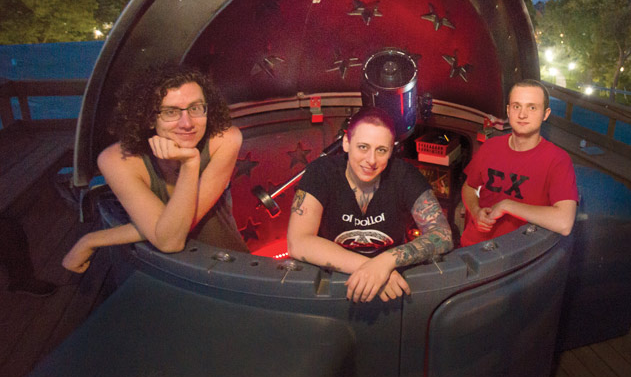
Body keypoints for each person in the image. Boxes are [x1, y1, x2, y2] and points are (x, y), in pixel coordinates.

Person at [62, 65, 247, 273]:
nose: (187, 123)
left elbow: (170, 237)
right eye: (170, 112)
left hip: (226, 267)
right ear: (150, 118)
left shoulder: (226, 139)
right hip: (154, 270)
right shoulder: (116, 160)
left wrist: (93, 239)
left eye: (195, 108)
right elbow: (169, 238)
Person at [287, 107, 452, 303]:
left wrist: (385, 262)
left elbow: (442, 235)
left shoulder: (404, 175)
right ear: (347, 143)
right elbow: (298, 242)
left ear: (391, 151)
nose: (371, 160)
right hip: (335, 284)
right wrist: (370, 268)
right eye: (363, 147)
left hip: (392, 284)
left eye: (381, 150)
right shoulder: (321, 172)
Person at [460, 79, 578, 247]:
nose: (522, 115)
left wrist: (508, 205)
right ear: (508, 111)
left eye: (532, 107)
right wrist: (476, 211)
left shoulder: (558, 160)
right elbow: (469, 187)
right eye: (516, 106)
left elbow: (564, 223)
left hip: (514, 255)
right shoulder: (491, 146)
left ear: (545, 114)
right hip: (473, 247)